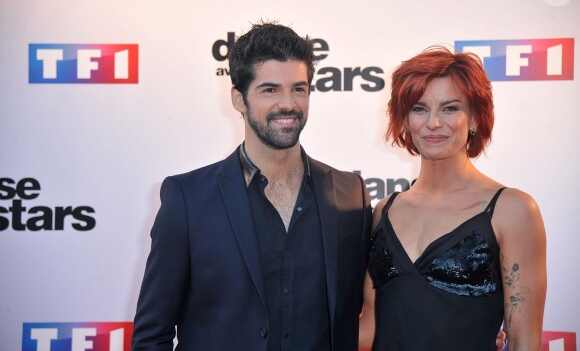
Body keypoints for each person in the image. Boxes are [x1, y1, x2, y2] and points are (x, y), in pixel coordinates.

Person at [131, 22, 372, 351]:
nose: (287, 104)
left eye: (299, 89)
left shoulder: (350, 194)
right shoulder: (187, 199)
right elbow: (152, 336)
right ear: (238, 98)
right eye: (269, 90)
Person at [363, 46, 547, 350]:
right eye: (419, 109)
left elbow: (523, 341)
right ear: (405, 120)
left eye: (450, 108)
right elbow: (369, 327)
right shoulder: (385, 211)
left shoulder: (511, 210)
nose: (434, 123)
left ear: (474, 118)